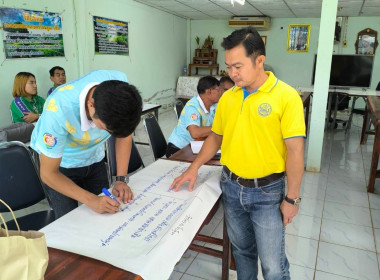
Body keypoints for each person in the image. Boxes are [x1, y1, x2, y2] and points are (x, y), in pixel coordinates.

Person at [170, 27, 305, 280]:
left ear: (259, 60)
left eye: (238, 66)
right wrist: (193, 167)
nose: (232, 73)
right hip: (231, 187)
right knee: (242, 253)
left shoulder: (286, 97)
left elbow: (295, 151)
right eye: (228, 66)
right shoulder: (229, 98)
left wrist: (292, 199)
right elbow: (216, 136)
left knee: (273, 266)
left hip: (267, 191)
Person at [30, 70, 142, 219]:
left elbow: (124, 135)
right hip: (61, 166)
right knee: (69, 221)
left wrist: (121, 180)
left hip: (94, 159)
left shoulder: (120, 86)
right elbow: (48, 173)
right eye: (107, 129)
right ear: (91, 105)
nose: (110, 134)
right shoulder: (58, 109)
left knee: (106, 214)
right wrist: (92, 200)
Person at [165, 76, 221, 158]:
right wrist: (220, 128)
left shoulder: (214, 105)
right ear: (209, 91)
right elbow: (195, 132)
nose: (220, 93)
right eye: (218, 90)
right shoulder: (192, 107)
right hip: (179, 149)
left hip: (196, 146)